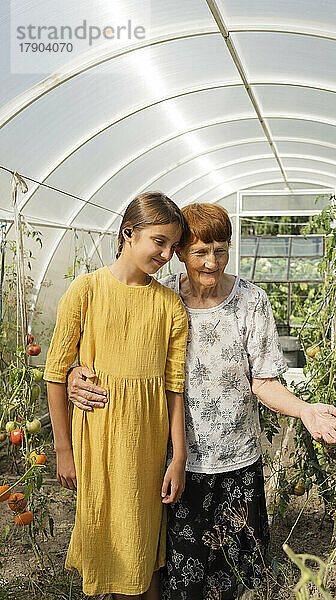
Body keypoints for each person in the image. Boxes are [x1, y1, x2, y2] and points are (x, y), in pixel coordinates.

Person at [67, 203, 336, 600]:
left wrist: (304, 409)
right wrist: (72, 373)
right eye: (200, 251)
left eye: (221, 249)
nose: (212, 261)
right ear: (181, 252)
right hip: (171, 462)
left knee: (241, 576)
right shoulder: (159, 295)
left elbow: (264, 382)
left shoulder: (251, 300)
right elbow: (117, 347)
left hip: (237, 459)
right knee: (181, 580)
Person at [44, 191, 190, 600]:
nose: (165, 254)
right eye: (158, 241)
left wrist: (177, 457)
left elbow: (173, 387)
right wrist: (63, 450)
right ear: (129, 233)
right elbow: (56, 373)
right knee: (104, 535)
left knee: (142, 545)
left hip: (146, 444)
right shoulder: (85, 290)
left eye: (172, 246)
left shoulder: (169, 305)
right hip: (98, 440)